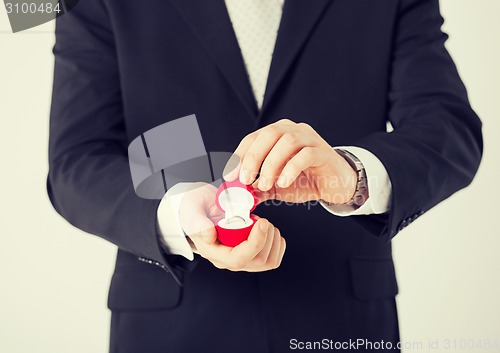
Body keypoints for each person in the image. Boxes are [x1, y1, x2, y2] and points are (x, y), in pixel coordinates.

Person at [47, 0, 483, 352]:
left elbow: (447, 127)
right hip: (171, 328)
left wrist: (352, 175)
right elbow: (76, 160)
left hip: (341, 323)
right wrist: (177, 213)